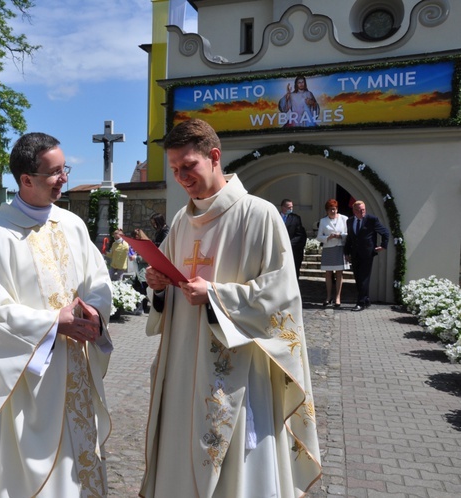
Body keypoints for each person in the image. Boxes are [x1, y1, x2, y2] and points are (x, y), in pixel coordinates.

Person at [141, 119, 321, 497]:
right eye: (174, 170)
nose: (181, 177)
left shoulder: (259, 214)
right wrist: (160, 288)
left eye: (188, 166)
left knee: (236, 468)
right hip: (182, 367)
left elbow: (283, 294)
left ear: (214, 156)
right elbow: (174, 290)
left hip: (236, 368)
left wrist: (218, 295)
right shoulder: (180, 221)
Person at [0, 132, 113, 497]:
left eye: (64, 169)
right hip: (30, 382)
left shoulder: (72, 225)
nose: (64, 179)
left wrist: (94, 312)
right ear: (26, 180)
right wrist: (54, 322)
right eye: (55, 172)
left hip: (76, 371)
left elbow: (98, 281)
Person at [344, 200, 389, 312]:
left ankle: (360, 303)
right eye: (359, 210)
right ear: (354, 211)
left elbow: (385, 232)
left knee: (364, 278)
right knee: (358, 278)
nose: (362, 212)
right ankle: (366, 299)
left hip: (367, 253)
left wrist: (383, 246)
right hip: (355, 253)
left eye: (363, 210)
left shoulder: (371, 220)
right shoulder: (349, 221)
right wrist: (346, 252)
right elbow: (349, 238)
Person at [316, 199, 350, 307]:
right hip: (328, 248)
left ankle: (338, 297)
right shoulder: (323, 221)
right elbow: (319, 237)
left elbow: (349, 233)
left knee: (339, 273)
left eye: (334, 209)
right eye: (331, 210)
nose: (333, 212)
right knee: (328, 273)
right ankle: (328, 296)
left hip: (340, 247)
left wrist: (340, 236)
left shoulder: (344, 219)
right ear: (327, 211)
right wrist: (328, 237)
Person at [280, 198, 308, 279]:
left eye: (292, 207)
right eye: (289, 207)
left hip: (292, 249)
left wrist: (288, 244)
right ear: (283, 207)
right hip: (278, 250)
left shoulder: (295, 218)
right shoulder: (276, 217)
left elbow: (300, 234)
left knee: (294, 271)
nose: (291, 209)